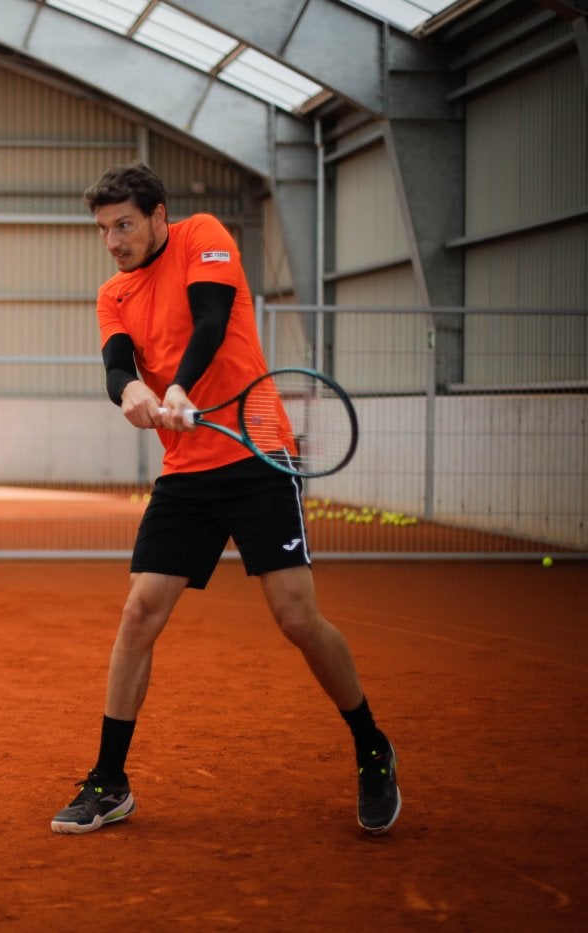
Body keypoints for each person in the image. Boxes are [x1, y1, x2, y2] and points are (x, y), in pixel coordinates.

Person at [50, 163, 400, 836]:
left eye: (124, 224)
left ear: (158, 215)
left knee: (296, 619)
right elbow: (117, 367)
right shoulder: (113, 294)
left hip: (257, 454)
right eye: (103, 229)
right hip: (186, 473)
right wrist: (132, 394)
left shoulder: (202, 235)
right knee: (138, 613)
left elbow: (211, 319)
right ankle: (110, 780)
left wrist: (179, 387)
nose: (114, 240)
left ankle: (371, 744)